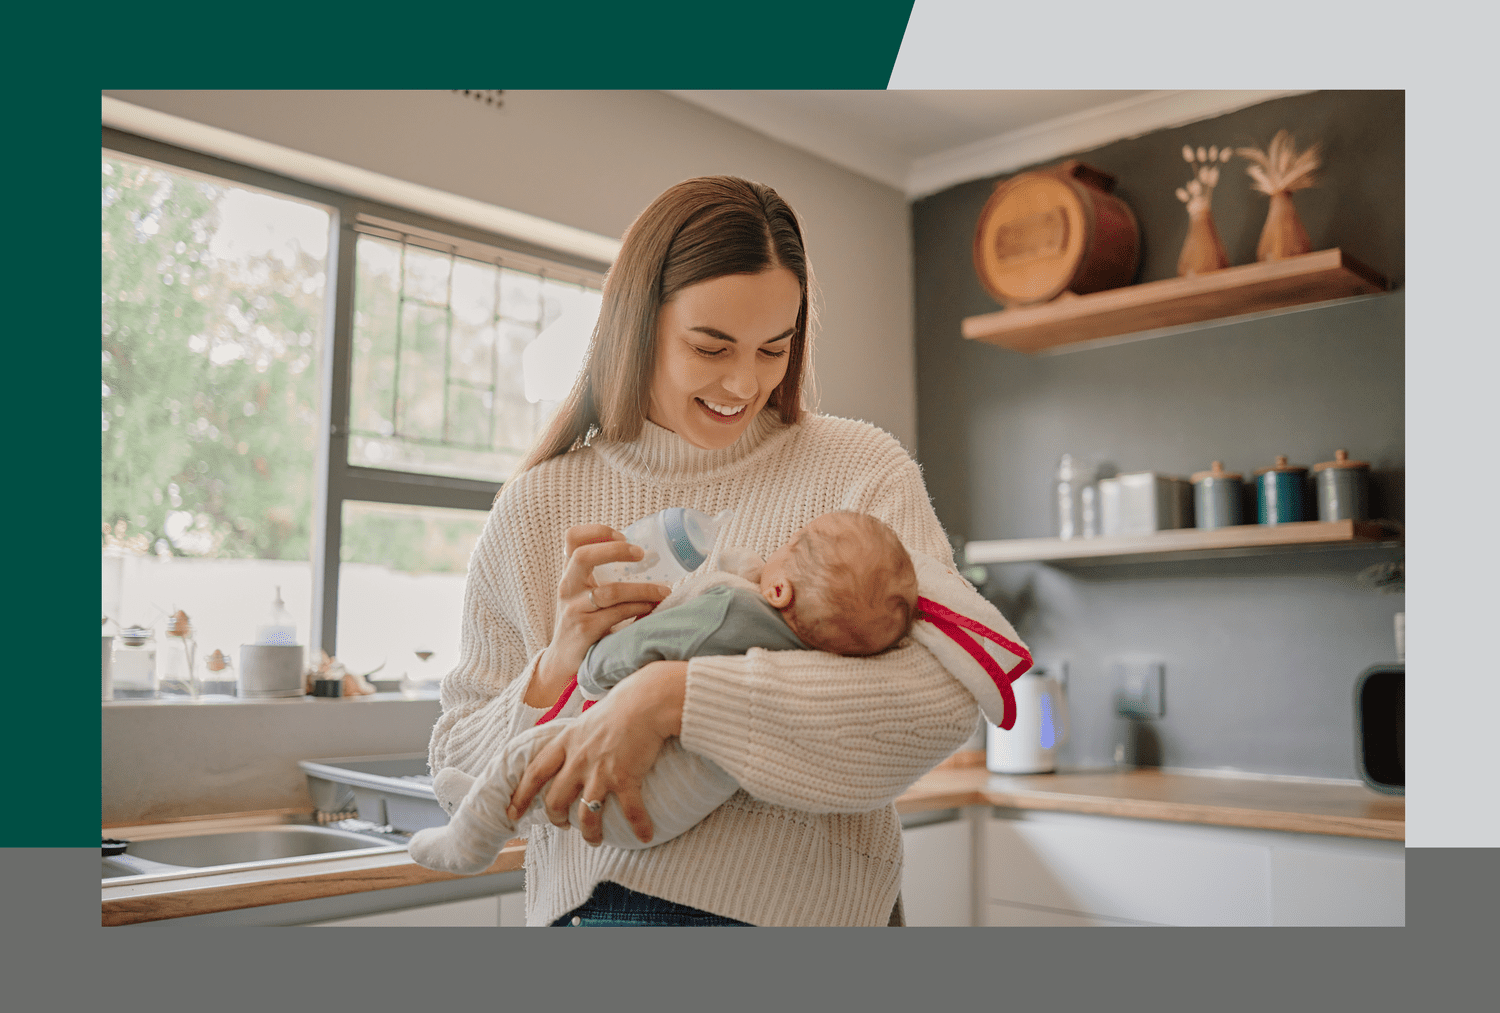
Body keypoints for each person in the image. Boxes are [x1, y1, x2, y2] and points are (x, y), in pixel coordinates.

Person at [427, 175, 1026, 927]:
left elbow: (936, 704)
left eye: (774, 348)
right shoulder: (537, 507)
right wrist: (554, 666)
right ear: (638, 323)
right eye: (711, 346)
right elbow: (456, 771)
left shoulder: (857, 469)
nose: (744, 382)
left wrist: (677, 698)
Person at [409, 511, 920, 874]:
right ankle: (480, 805)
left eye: (794, 540)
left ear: (779, 591)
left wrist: (591, 667)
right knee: (546, 783)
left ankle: (470, 840)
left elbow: (653, 642)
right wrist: (556, 655)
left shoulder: (727, 609)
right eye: (709, 350)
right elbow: (457, 740)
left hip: (634, 801)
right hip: (685, 802)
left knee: (530, 762)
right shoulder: (810, 650)